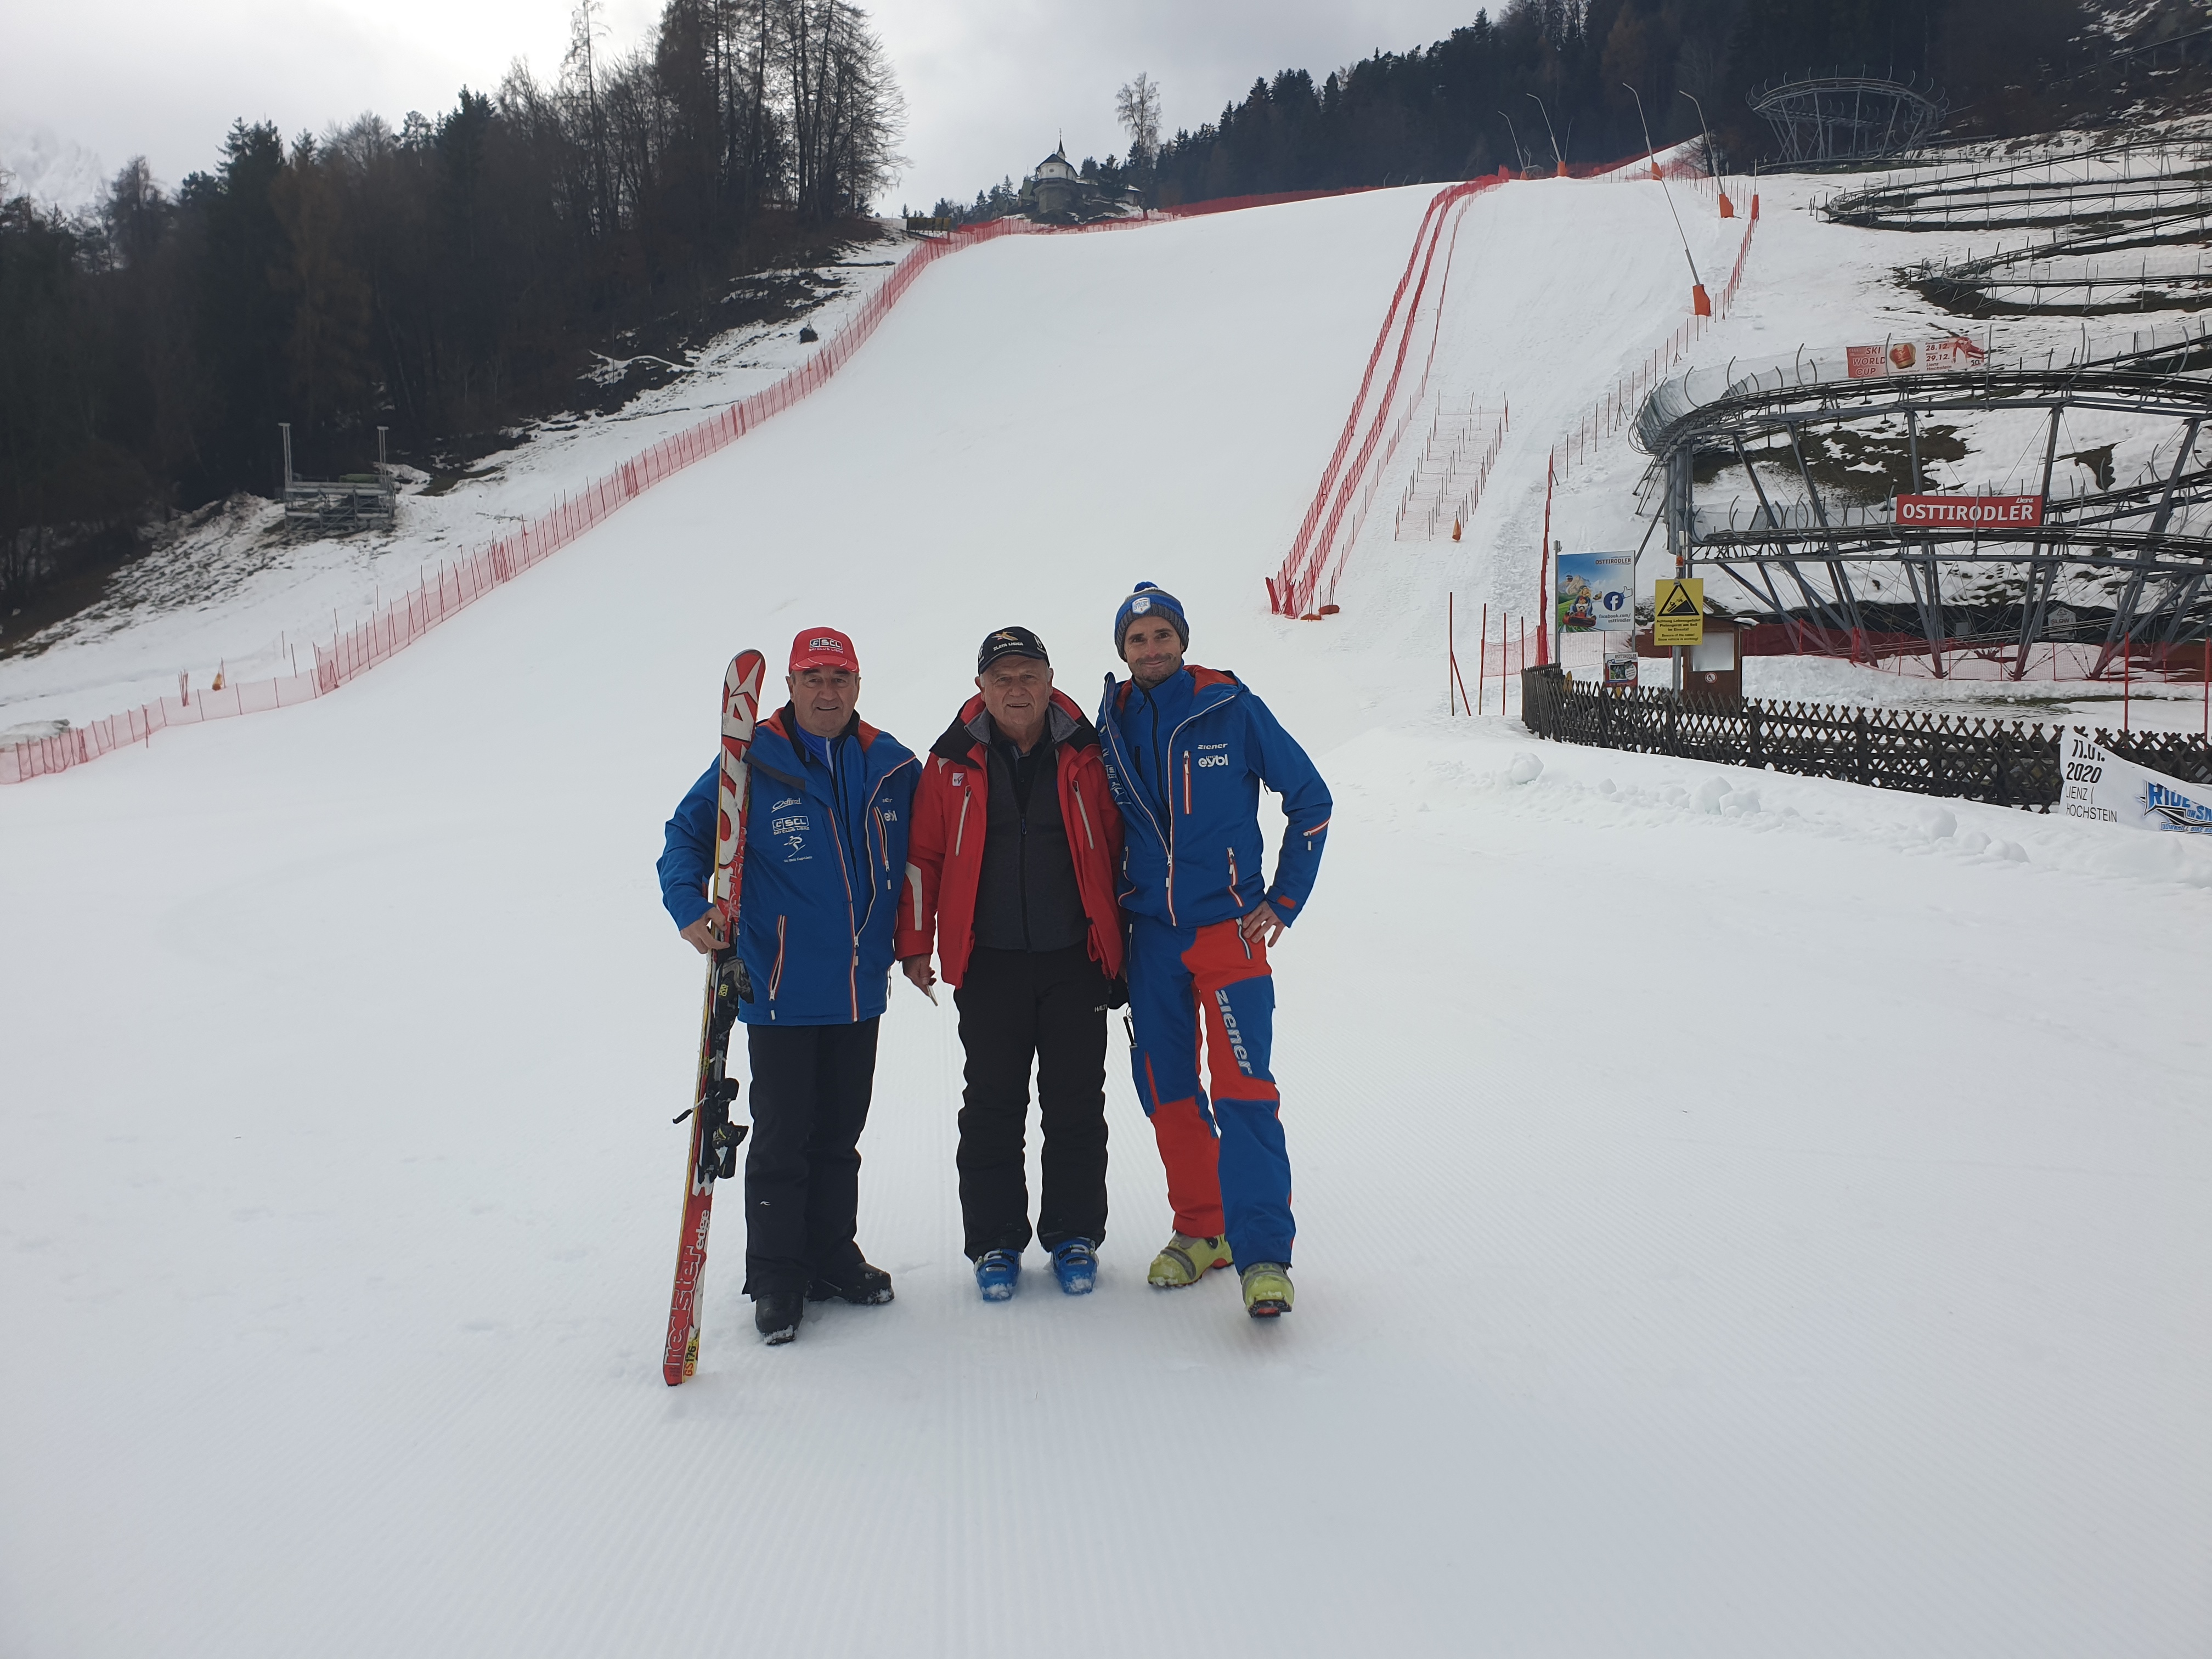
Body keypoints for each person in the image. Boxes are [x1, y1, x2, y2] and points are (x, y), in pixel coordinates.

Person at [657, 627, 918, 1346]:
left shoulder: (891, 765)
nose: (827, 692)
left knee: (839, 1137)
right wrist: (689, 906)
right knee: (782, 1140)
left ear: (857, 685)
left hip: (859, 988)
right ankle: (776, 1277)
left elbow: (925, 857)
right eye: (813, 678)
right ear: (791, 687)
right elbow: (686, 836)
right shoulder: (750, 761)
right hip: (779, 990)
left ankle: (832, 1257)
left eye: (839, 678)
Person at [1095, 583, 1331, 1319]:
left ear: (1183, 640)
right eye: (1137, 640)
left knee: (1244, 1093)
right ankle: (1203, 1230)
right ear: (1123, 651)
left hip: (1229, 935)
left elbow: (1311, 800)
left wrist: (1283, 900)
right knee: (1166, 1091)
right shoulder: (1111, 721)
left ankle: (1264, 1257)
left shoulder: (1230, 708)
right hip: (1151, 940)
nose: (1151, 649)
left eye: (1162, 635)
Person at [898, 627, 1126, 1301]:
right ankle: (995, 1241)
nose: (1017, 689)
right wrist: (916, 942)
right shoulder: (949, 762)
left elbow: (1119, 847)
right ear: (981, 688)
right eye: (1002, 678)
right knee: (992, 1105)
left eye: (1029, 675)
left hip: (1075, 958)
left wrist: (1125, 944)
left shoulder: (1088, 751)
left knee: (1076, 1103)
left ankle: (1074, 1234)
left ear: (1051, 681)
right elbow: (924, 857)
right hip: (988, 962)